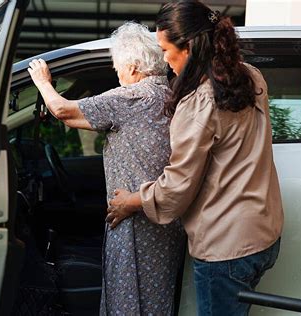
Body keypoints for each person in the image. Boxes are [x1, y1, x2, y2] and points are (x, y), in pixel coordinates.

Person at [107, 1, 284, 315]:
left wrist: (131, 201)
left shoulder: (198, 102)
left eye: (164, 50)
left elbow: (176, 188)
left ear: (188, 47)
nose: (163, 60)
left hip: (225, 248)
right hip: (265, 235)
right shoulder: (252, 77)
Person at [27, 22, 185, 315]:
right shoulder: (170, 96)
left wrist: (42, 81)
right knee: (156, 300)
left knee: (128, 303)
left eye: (118, 68)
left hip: (135, 220)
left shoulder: (132, 96)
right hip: (166, 221)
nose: (119, 75)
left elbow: (64, 111)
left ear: (135, 67)